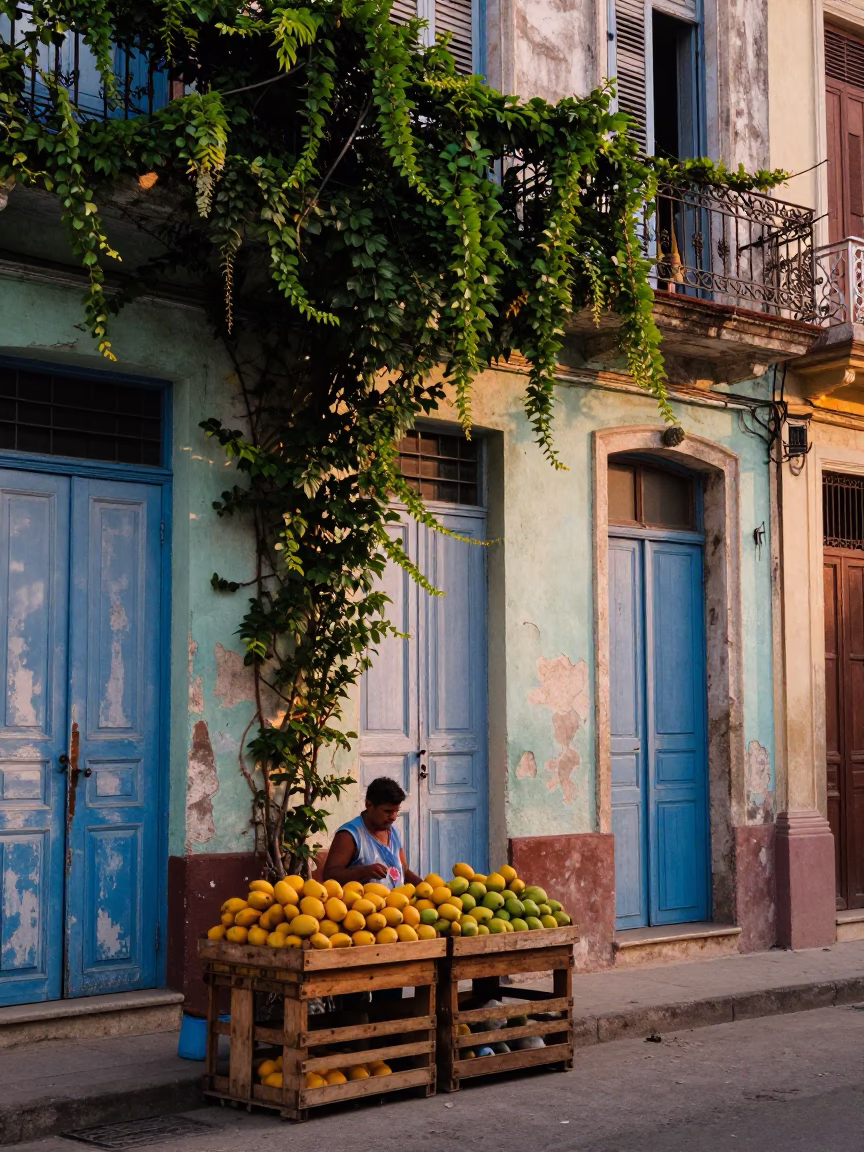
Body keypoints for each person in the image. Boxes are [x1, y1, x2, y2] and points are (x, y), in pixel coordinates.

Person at [324, 777, 423, 889]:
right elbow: (329, 876)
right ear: (369, 805)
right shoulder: (349, 835)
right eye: (388, 811)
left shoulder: (392, 831)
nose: (394, 817)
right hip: (363, 904)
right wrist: (364, 872)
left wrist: (424, 886)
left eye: (397, 811)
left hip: (397, 903)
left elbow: (403, 871)